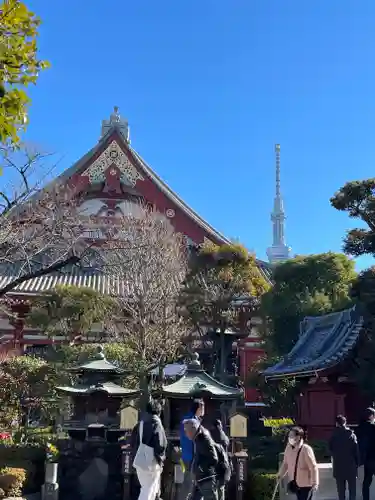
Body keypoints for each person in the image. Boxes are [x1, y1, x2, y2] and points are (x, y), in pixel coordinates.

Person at [131, 400, 167, 500]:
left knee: (146, 488)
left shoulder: (140, 424)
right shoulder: (157, 423)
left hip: (140, 460)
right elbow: (161, 444)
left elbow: (132, 442)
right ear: (159, 411)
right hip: (152, 462)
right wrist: (161, 459)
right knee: (149, 490)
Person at [278, 427, 319, 500]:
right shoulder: (288, 448)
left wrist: (315, 483)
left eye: (292, 436)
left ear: (298, 437)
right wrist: (280, 475)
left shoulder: (306, 449)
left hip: (306, 484)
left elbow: (313, 467)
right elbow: (285, 463)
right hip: (295, 483)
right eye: (289, 436)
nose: (290, 438)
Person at [183, 418, 218, 500]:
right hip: (200, 478)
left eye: (186, 430)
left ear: (192, 429)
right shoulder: (198, 438)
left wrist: (200, 468)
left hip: (206, 478)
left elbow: (213, 458)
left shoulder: (203, 439)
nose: (185, 433)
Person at [179, 400, 205, 500]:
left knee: (190, 483)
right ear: (198, 408)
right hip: (191, 455)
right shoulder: (192, 421)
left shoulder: (188, 419)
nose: (203, 411)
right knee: (188, 483)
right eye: (202, 408)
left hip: (186, 455)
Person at [329, 415, 359, 500]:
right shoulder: (352, 435)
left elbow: (330, 450)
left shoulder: (333, 436)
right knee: (352, 491)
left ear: (336, 424)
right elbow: (356, 451)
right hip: (351, 466)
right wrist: (357, 464)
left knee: (341, 492)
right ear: (345, 423)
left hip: (338, 467)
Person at [357, 407, 375, 500]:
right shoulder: (373, 427)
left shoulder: (359, 428)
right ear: (371, 416)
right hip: (374, 457)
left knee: (367, 481)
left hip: (366, 459)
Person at [210, 419, 231, 500]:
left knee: (213, 488)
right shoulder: (224, 436)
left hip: (214, 465)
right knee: (221, 488)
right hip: (224, 464)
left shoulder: (211, 435)